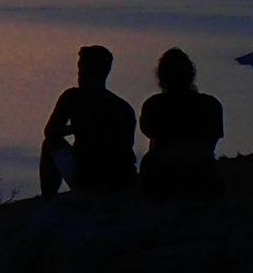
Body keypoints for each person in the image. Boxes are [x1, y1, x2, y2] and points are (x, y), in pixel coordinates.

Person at [39, 45, 138, 198]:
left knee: (49, 144)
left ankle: (48, 200)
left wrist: (75, 128)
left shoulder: (72, 97)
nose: (78, 72)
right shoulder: (123, 108)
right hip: (121, 179)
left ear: (85, 69)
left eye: (81, 67)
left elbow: (50, 132)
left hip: (87, 178)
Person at [140, 47, 225, 200]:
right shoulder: (211, 104)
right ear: (191, 75)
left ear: (161, 77)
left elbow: (149, 131)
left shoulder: (153, 105)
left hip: (162, 176)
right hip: (203, 174)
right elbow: (213, 139)